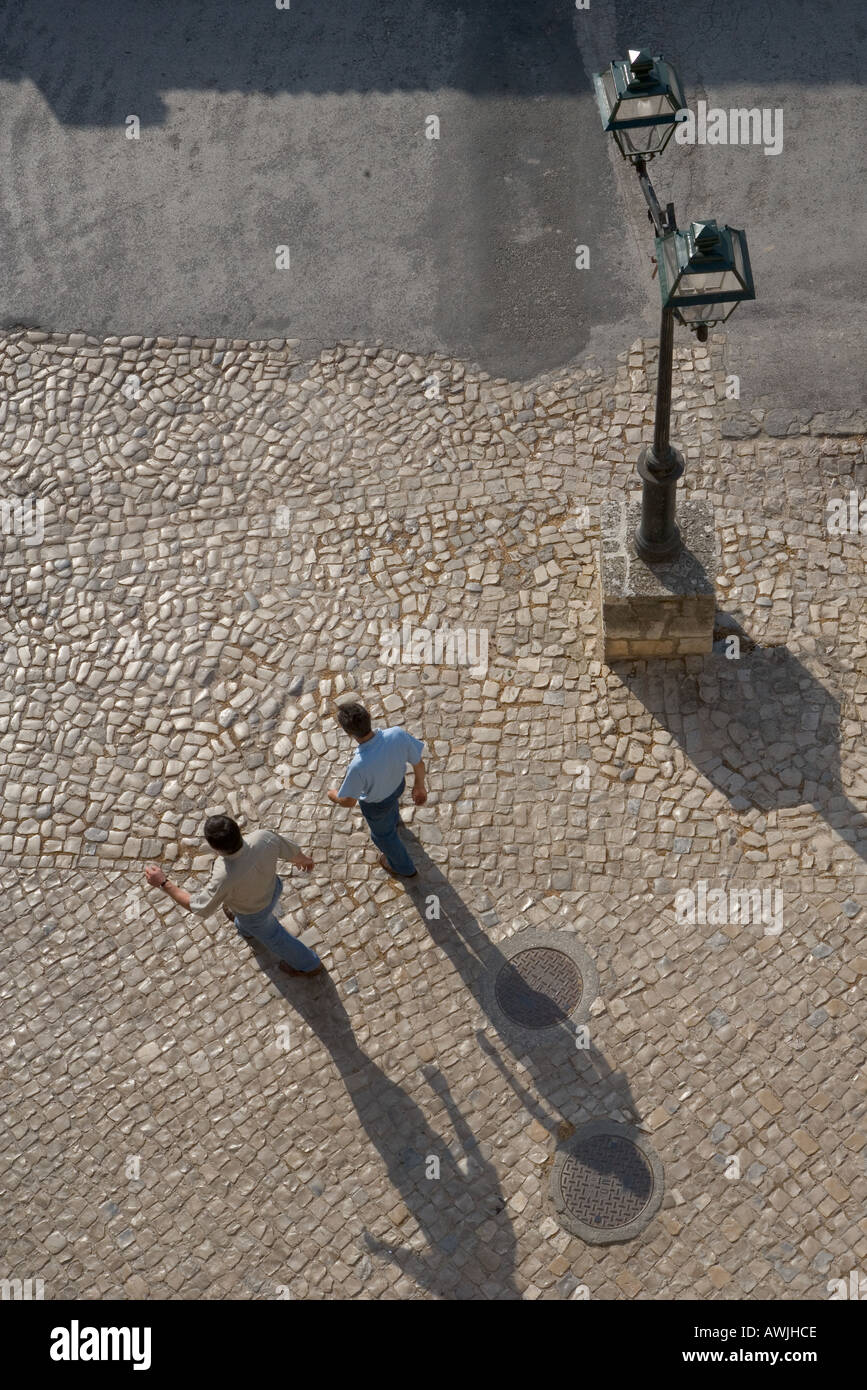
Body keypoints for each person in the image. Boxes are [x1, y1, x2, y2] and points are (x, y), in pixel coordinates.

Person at [144, 814, 324, 977]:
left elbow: (198, 906)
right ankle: (244, 926)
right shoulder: (263, 837)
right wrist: (304, 860)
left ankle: (309, 965)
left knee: (277, 938)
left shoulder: (223, 876)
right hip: (273, 888)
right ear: (238, 829)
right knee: (241, 919)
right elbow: (292, 852)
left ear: (215, 848)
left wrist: (163, 883)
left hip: (254, 913)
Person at [328, 701, 426, 880]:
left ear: (349, 733)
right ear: (369, 717)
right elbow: (418, 763)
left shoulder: (358, 766)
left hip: (377, 805)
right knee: (392, 808)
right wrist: (419, 785)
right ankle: (395, 820)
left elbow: (348, 802)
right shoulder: (397, 734)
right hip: (397, 786)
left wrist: (333, 795)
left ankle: (404, 868)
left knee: (383, 837)